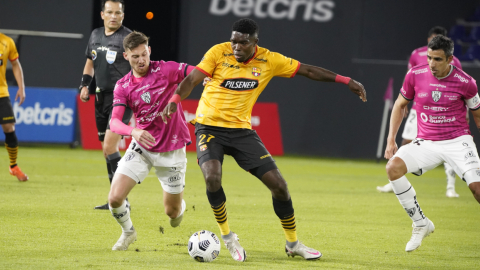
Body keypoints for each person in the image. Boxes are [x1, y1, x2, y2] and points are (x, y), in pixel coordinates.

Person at [161, 18, 367, 261]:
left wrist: (347, 81)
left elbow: (308, 70)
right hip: (209, 128)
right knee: (212, 177)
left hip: (241, 131)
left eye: (243, 43)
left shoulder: (270, 60)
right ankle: (228, 237)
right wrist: (175, 100)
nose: (236, 47)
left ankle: (293, 244)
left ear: (255, 43)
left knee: (279, 186)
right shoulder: (218, 52)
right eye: (233, 41)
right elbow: (191, 80)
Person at [384, 35, 480, 252]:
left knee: (477, 190)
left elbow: (478, 116)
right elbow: (400, 105)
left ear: (450, 59)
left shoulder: (467, 82)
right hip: (426, 141)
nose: (431, 64)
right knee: (393, 168)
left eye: (437, 59)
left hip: (458, 141)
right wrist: (391, 140)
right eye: (429, 58)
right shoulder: (415, 75)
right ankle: (420, 223)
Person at [107, 31, 193, 251]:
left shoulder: (165, 70)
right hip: (143, 146)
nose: (141, 60)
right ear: (126, 56)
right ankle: (128, 232)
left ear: (149, 51)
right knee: (115, 198)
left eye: (144, 54)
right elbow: (115, 123)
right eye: (135, 56)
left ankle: (179, 206)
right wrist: (132, 131)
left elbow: (194, 74)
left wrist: (178, 95)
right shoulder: (123, 86)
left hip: (172, 149)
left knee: (172, 214)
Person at [377, 26, 463, 198]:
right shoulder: (416, 54)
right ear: (429, 38)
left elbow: (462, 88)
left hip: (444, 113)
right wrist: (405, 99)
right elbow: (409, 77)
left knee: (449, 148)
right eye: (434, 38)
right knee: (406, 143)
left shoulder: (455, 62)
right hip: (419, 108)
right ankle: (394, 179)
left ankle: (451, 187)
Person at [79, 0, 134, 210]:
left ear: (123, 15)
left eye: (118, 13)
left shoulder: (128, 38)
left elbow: (141, 65)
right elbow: (90, 62)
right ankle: (116, 198)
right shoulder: (95, 35)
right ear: (102, 14)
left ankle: (121, 200)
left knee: (110, 146)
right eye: (109, 12)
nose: (114, 16)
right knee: (106, 149)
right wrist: (85, 85)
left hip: (121, 98)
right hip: (101, 98)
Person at [0, 32, 28, 181]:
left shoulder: (7, 42)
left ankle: (13, 166)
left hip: (1, 92)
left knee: (9, 127)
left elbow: (15, 64)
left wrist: (21, 87)